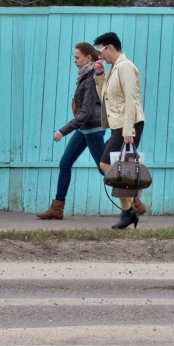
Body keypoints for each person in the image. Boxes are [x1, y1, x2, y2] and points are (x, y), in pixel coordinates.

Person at [36, 43, 106, 220]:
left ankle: (134, 200)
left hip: (92, 129)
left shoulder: (90, 79)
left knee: (105, 169)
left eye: (77, 57)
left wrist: (62, 130)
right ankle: (57, 208)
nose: (74, 61)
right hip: (85, 128)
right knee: (65, 163)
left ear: (88, 58)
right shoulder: (85, 76)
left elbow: (86, 112)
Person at [93, 32, 146, 230]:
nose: (100, 56)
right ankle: (130, 210)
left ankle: (130, 210)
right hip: (118, 125)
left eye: (101, 51)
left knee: (107, 165)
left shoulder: (126, 67)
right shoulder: (113, 68)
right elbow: (105, 98)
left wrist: (128, 129)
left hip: (128, 124)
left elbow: (131, 99)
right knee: (109, 167)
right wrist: (99, 76)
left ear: (111, 48)